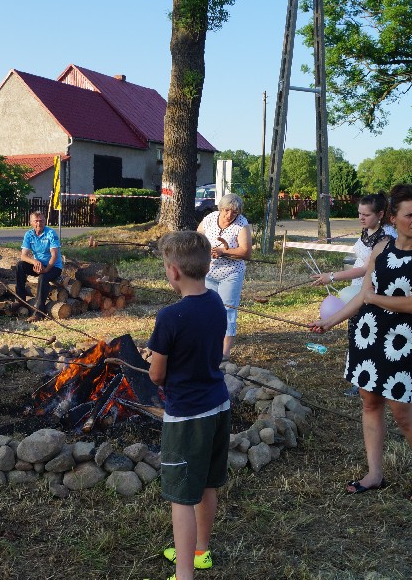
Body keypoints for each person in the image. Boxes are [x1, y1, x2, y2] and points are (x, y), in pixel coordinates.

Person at [310, 184, 412, 503]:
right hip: (367, 335)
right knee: (369, 404)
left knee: (403, 413)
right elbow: (362, 295)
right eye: (409, 215)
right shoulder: (382, 247)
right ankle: (374, 474)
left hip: (401, 342)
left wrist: (372, 298)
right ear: (393, 218)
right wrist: (330, 321)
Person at [148, 231, 231, 580]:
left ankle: (184, 575)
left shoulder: (170, 316)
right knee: (207, 485)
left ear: (174, 271)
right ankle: (200, 551)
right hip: (218, 407)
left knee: (182, 497)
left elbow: (156, 375)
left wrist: (156, 367)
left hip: (186, 417)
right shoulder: (216, 303)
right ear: (207, 265)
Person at [311, 192, 396, 396]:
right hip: (356, 290)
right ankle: (361, 380)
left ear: (380, 214)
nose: (361, 218)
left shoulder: (386, 237)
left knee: (368, 336)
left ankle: (370, 381)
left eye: (366, 215)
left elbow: (366, 268)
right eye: (359, 214)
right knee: (356, 335)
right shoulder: (367, 230)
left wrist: (332, 276)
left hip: (373, 291)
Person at [196, 193, 252, 357]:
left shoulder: (242, 224)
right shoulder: (210, 219)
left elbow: (246, 252)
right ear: (221, 208)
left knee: (227, 309)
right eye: (227, 210)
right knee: (208, 309)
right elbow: (198, 238)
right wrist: (204, 251)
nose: (229, 215)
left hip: (231, 273)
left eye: (234, 212)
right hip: (209, 272)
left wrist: (224, 251)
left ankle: (224, 353)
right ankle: (208, 347)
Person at [15, 210, 62, 321]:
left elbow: (54, 255)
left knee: (43, 277)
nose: (39, 223)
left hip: (53, 266)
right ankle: (20, 300)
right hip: (38, 265)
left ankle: (39, 313)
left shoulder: (51, 233)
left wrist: (46, 269)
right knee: (20, 266)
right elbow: (23, 256)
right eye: (36, 221)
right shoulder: (29, 235)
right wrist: (34, 262)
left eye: (41, 221)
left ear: (45, 222)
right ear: (31, 223)